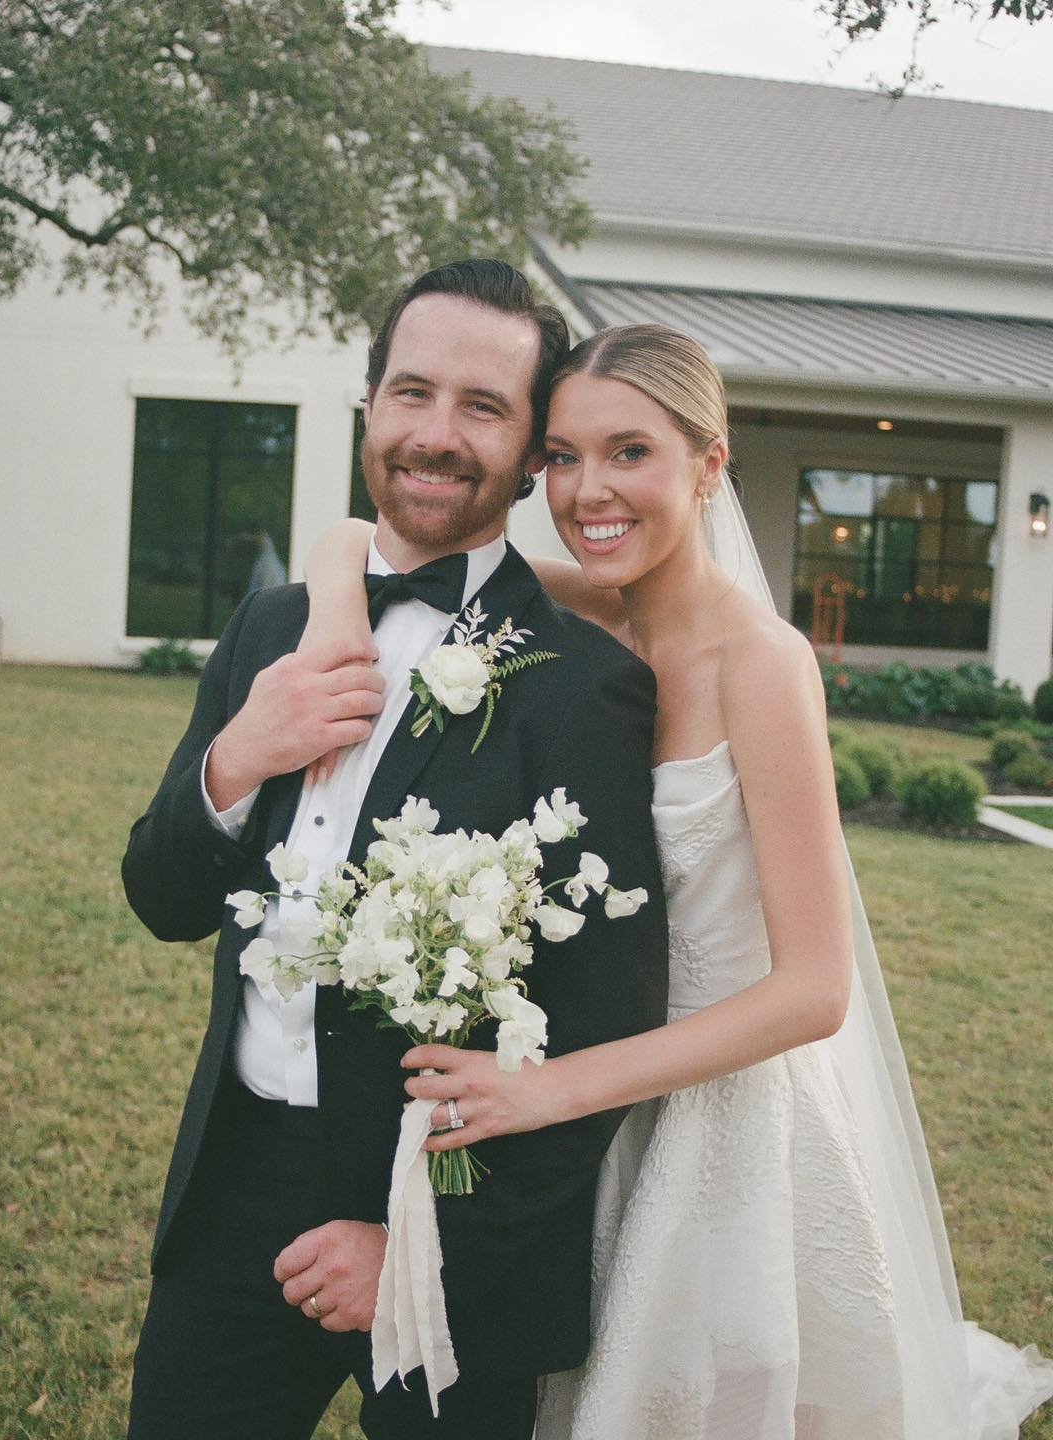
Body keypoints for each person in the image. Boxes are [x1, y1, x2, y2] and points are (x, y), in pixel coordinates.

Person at [302, 323, 1053, 1439]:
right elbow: (360, 545)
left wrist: (556, 1087)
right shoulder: (582, 607)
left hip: (720, 1125)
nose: (586, 490)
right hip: (588, 1114)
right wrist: (332, 618)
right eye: (560, 456)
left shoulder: (764, 665)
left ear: (709, 464)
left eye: (629, 453)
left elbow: (815, 991)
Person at [120, 262, 669, 1440]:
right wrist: (236, 762)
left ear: (531, 452)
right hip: (236, 1188)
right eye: (410, 393)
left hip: (452, 1208)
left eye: (482, 407)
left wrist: (420, 1241)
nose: (434, 434)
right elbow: (161, 897)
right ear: (369, 403)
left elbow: (603, 1029)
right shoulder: (273, 625)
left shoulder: (587, 691)